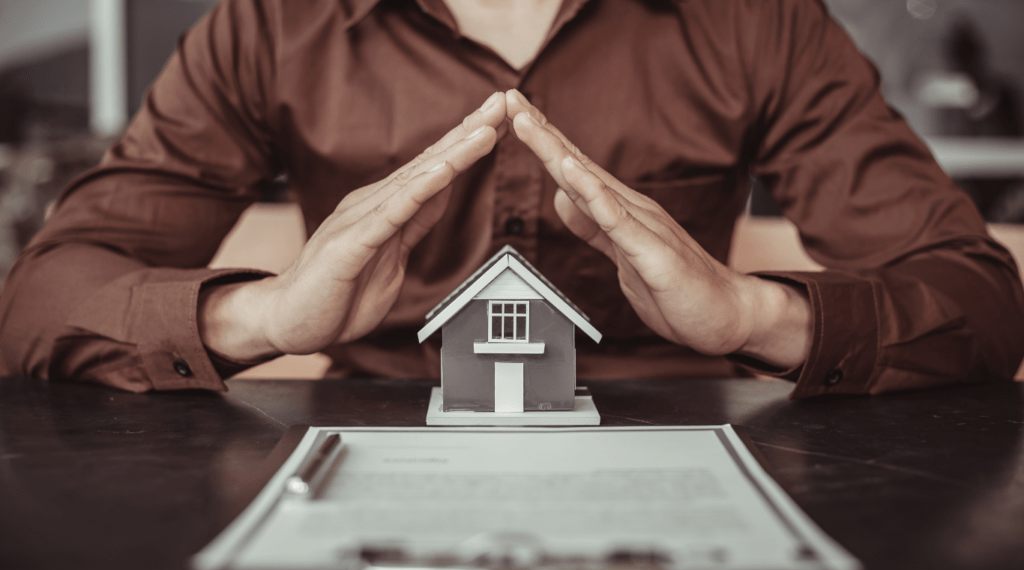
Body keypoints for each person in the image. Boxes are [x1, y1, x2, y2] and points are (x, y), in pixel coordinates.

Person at [1, 0, 1022, 398]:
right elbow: (43, 299)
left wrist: (752, 311)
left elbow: (977, 299)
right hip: (368, 437)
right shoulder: (267, 22)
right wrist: (265, 314)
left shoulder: (760, 22)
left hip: (688, 441)